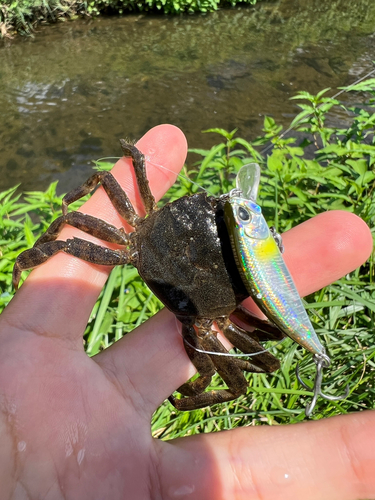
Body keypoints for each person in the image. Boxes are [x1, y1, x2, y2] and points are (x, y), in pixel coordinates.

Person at [0, 124, 373, 500]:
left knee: (71, 230)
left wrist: (63, 215)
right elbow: (255, 365)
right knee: (240, 378)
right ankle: (184, 398)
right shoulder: (219, 319)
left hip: (133, 246)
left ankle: (20, 267)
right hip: (202, 319)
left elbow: (89, 197)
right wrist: (190, 393)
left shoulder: (145, 223)